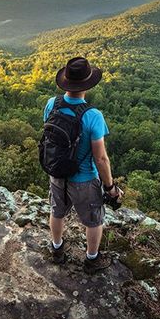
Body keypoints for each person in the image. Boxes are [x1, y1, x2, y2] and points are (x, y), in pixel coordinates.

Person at [44, 56, 123, 274]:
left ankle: (57, 249)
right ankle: (91, 260)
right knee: (94, 221)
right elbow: (101, 158)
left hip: (57, 173)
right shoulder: (93, 116)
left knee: (57, 211)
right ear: (87, 85)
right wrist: (110, 187)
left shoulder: (52, 104)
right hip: (84, 179)